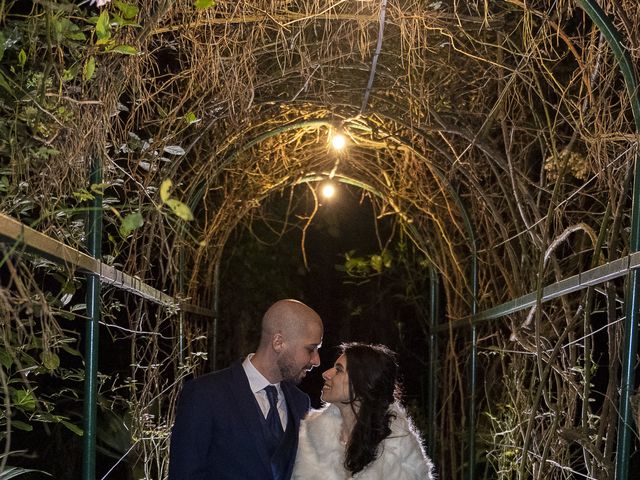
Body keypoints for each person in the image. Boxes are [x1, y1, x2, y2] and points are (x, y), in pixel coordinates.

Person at [168, 299, 324, 480]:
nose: (316, 360)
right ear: (278, 342)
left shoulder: (300, 403)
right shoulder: (205, 394)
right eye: (311, 349)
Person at [292, 342, 436, 479]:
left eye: (339, 370)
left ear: (363, 382)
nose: (326, 374)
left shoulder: (398, 448)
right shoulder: (309, 438)